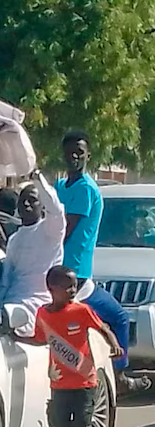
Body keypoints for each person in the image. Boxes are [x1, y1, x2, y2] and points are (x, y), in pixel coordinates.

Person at [53, 130, 151, 394]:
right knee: (118, 317)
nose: (74, 156)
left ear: (88, 155)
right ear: (63, 154)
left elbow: (55, 226)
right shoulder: (81, 188)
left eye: (79, 152)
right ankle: (120, 376)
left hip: (58, 269)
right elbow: (65, 229)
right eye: (70, 152)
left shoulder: (66, 188)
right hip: (77, 275)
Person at [14, 265, 118, 427]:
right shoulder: (43, 314)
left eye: (74, 286)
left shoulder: (81, 310)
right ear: (51, 288)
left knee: (82, 423)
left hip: (84, 381)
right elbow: (40, 339)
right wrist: (16, 336)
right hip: (59, 383)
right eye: (67, 286)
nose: (72, 291)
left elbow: (103, 327)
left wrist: (114, 344)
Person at [0, 172, 65, 337]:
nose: (26, 204)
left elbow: (56, 210)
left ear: (42, 206)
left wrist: (38, 179)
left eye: (32, 200)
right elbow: (5, 281)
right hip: (8, 307)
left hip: (36, 307)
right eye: (22, 200)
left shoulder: (50, 231)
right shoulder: (14, 239)